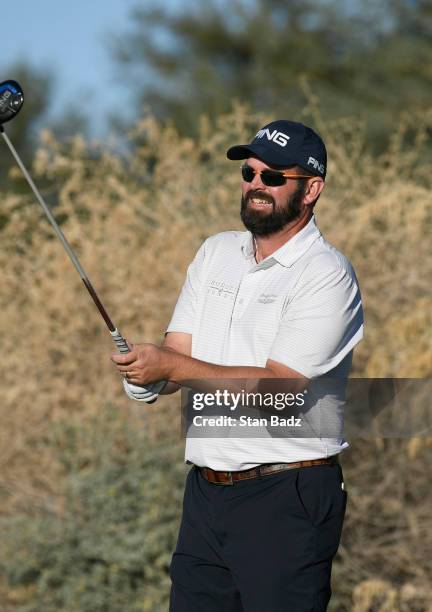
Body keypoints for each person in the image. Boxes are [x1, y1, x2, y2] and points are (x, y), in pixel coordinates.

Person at [111, 119, 364, 611]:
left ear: (311, 189)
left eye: (273, 178)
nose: (255, 185)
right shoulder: (215, 252)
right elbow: (177, 354)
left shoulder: (327, 275)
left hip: (288, 495)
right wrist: (146, 376)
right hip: (205, 493)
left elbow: (281, 387)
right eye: (249, 173)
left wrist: (170, 368)